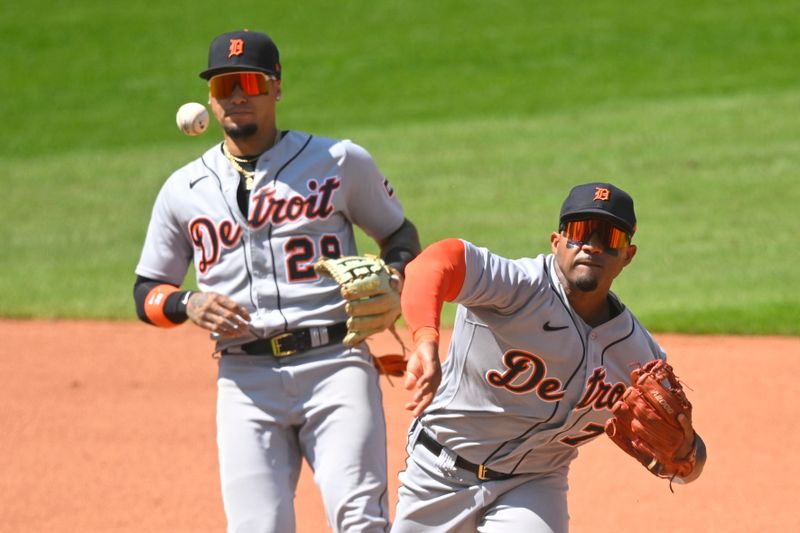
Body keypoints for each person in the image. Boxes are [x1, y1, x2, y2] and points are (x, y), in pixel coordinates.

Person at [133, 29, 420, 532]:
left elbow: (399, 232)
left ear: (277, 88)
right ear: (210, 99)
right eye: (224, 86)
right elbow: (146, 291)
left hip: (336, 365)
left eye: (250, 82)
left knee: (360, 521)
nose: (237, 96)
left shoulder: (338, 162)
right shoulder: (183, 189)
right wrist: (187, 304)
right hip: (245, 381)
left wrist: (395, 274)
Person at [394, 182, 706, 532]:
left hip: (532, 484)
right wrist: (424, 338)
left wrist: (685, 455)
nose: (592, 245)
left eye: (610, 238)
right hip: (439, 473)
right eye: (580, 232)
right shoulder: (517, 287)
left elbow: (689, 464)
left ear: (628, 255)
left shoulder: (638, 359)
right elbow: (435, 263)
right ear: (556, 242)